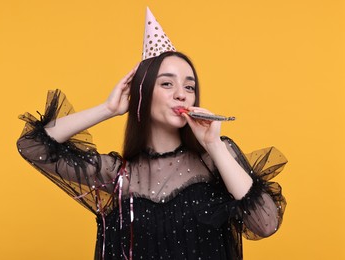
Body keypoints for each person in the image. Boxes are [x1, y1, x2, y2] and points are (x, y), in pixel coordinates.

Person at [17, 8, 287, 260]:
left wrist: (213, 145)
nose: (181, 93)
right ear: (143, 95)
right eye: (167, 83)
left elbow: (265, 223)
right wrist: (108, 108)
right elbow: (31, 145)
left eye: (189, 87)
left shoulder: (214, 159)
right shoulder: (118, 175)